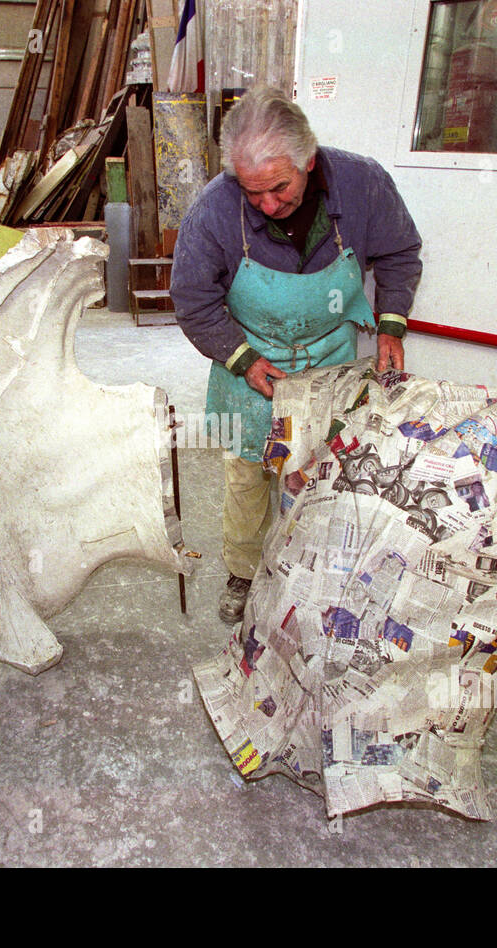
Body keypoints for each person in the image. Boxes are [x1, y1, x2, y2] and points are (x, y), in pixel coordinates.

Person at [170, 86, 423, 624]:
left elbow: (400, 253)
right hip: (248, 358)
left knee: (315, 473)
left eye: (279, 188)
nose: (267, 204)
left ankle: (301, 574)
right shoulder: (214, 209)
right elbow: (192, 298)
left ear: (308, 159)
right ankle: (243, 571)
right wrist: (240, 358)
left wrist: (391, 323)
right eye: (252, 192)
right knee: (247, 476)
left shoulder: (364, 184)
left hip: (329, 357)